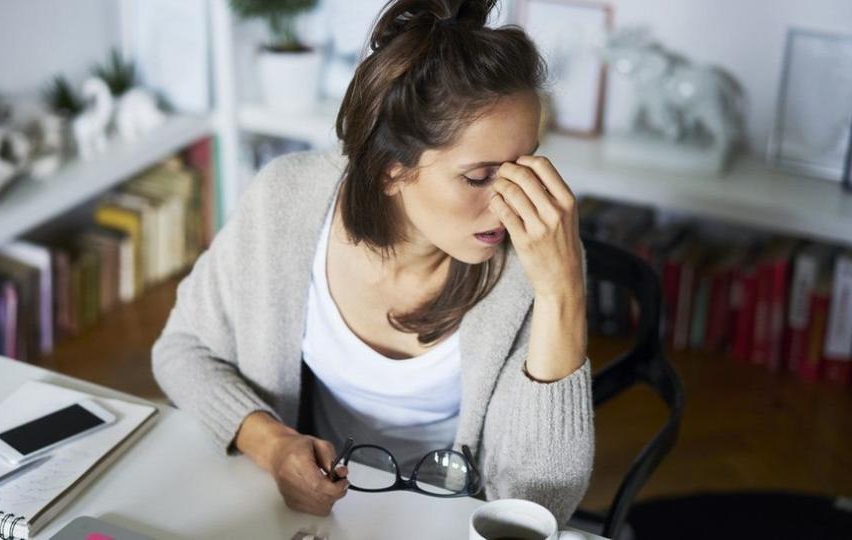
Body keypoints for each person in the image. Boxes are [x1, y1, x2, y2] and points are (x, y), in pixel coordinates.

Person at [152, 0, 594, 526]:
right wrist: (272, 445)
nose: (511, 203)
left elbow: (537, 504)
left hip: (450, 519)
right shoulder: (285, 202)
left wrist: (562, 291)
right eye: (479, 177)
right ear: (390, 170)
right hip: (311, 512)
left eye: (526, 165)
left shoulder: (537, 260)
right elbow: (182, 350)